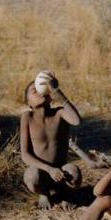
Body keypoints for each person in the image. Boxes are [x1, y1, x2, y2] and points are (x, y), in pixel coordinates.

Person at [20, 72, 82, 210]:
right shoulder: (27, 117)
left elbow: (77, 121)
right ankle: (44, 193)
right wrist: (49, 169)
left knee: (75, 173)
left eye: (42, 88)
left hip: (61, 172)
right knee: (32, 176)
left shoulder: (59, 113)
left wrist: (56, 91)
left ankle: (64, 192)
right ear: (28, 102)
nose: (39, 91)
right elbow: (25, 154)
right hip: (42, 173)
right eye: (34, 90)